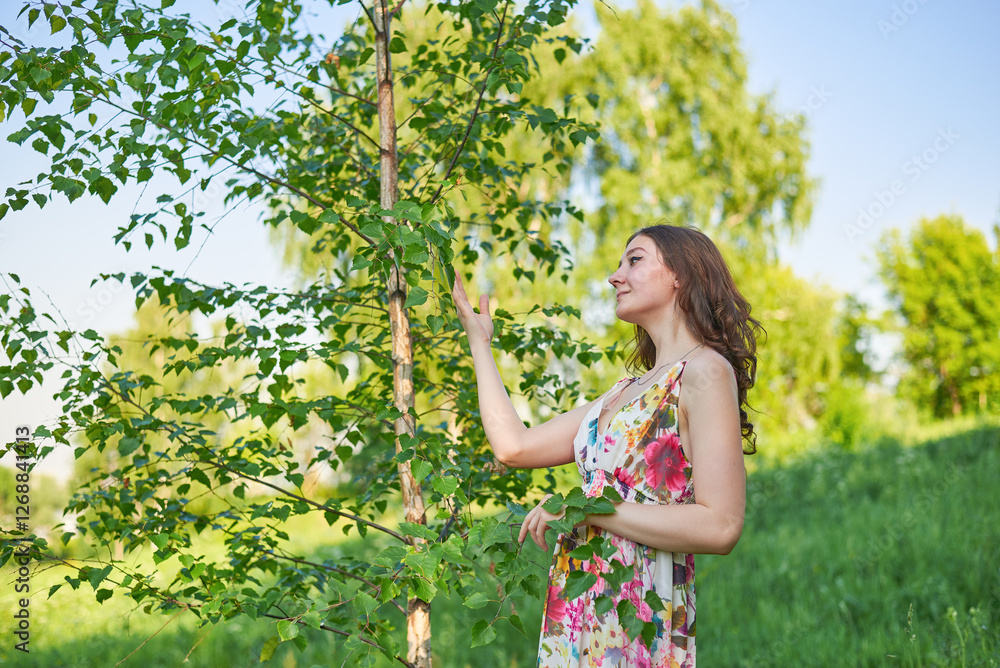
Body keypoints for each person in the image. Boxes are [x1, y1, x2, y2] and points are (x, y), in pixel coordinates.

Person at [452, 223, 762, 667]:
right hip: (578, 613)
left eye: (634, 260)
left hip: (635, 613)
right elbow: (513, 447)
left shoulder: (704, 373)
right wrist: (479, 342)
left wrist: (587, 509)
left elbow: (722, 525)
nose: (615, 276)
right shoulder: (623, 392)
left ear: (680, 274)